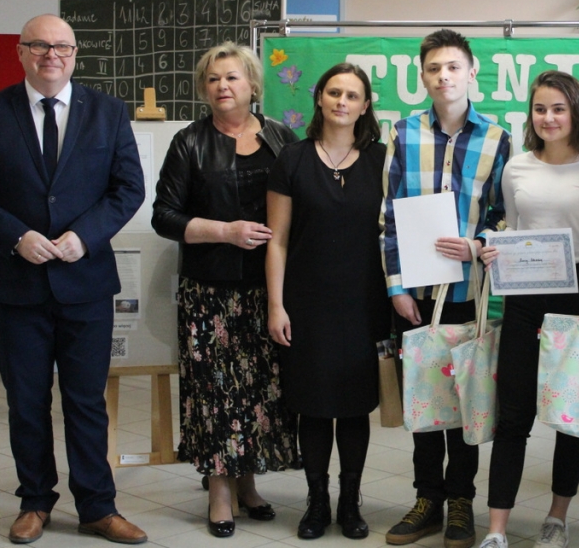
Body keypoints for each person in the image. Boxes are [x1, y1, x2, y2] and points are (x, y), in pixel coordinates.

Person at [0, 14, 148, 544]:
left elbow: (128, 189)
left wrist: (84, 237)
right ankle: (35, 501)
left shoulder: (108, 112)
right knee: (27, 401)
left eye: (62, 46)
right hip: (15, 283)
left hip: (85, 281)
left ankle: (98, 506)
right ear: (20, 52)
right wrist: (15, 235)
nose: (51, 55)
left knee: (86, 401)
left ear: (75, 54)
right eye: (39, 45)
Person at [152, 42, 297, 538]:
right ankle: (219, 492)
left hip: (268, 289)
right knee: (213, 393)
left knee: (258, 391)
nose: (222, 87)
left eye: (232, 77)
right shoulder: (189, 142)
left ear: (253, 84)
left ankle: (248, 484)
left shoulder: (281, 137)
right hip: (208, 292)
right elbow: (164, 216)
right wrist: (224, 231)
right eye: (213, 79)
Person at [381, 29, 510, 548]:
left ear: (471, 72)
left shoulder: (497, 138)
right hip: (416, 294)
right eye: (434, 68)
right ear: (423, 75)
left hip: (468, 294)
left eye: (453, 67)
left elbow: (506, 212)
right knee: (424, 401)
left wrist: (478, 243)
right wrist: (396, 286)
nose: (443, 76)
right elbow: (388, 215)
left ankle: (461, 501)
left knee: (464, 401)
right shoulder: (403, 133)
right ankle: (427, 500)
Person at [266, 63, 392, 540]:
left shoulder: (383, 160)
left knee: (355, 407)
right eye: (334, 92)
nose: (342, 101)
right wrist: (276, 305)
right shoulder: (292, 159)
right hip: (306, 304)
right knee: (314, 406)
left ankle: (349, 502)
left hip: (365, 304)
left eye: (352, 95)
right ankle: (316, 502)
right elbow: (277, 240)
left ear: (365, 106)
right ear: (319, 98)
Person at [477, 71, 579, 548]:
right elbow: (513, 226)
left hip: (578, 296)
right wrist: (497, 248)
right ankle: (496, 530)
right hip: (525, 298)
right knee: (513, 415)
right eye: (540, 109)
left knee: (570, 415)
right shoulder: (517, 168)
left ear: (576, 112)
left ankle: (557, 518)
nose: (548, 118)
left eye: (558, 109)